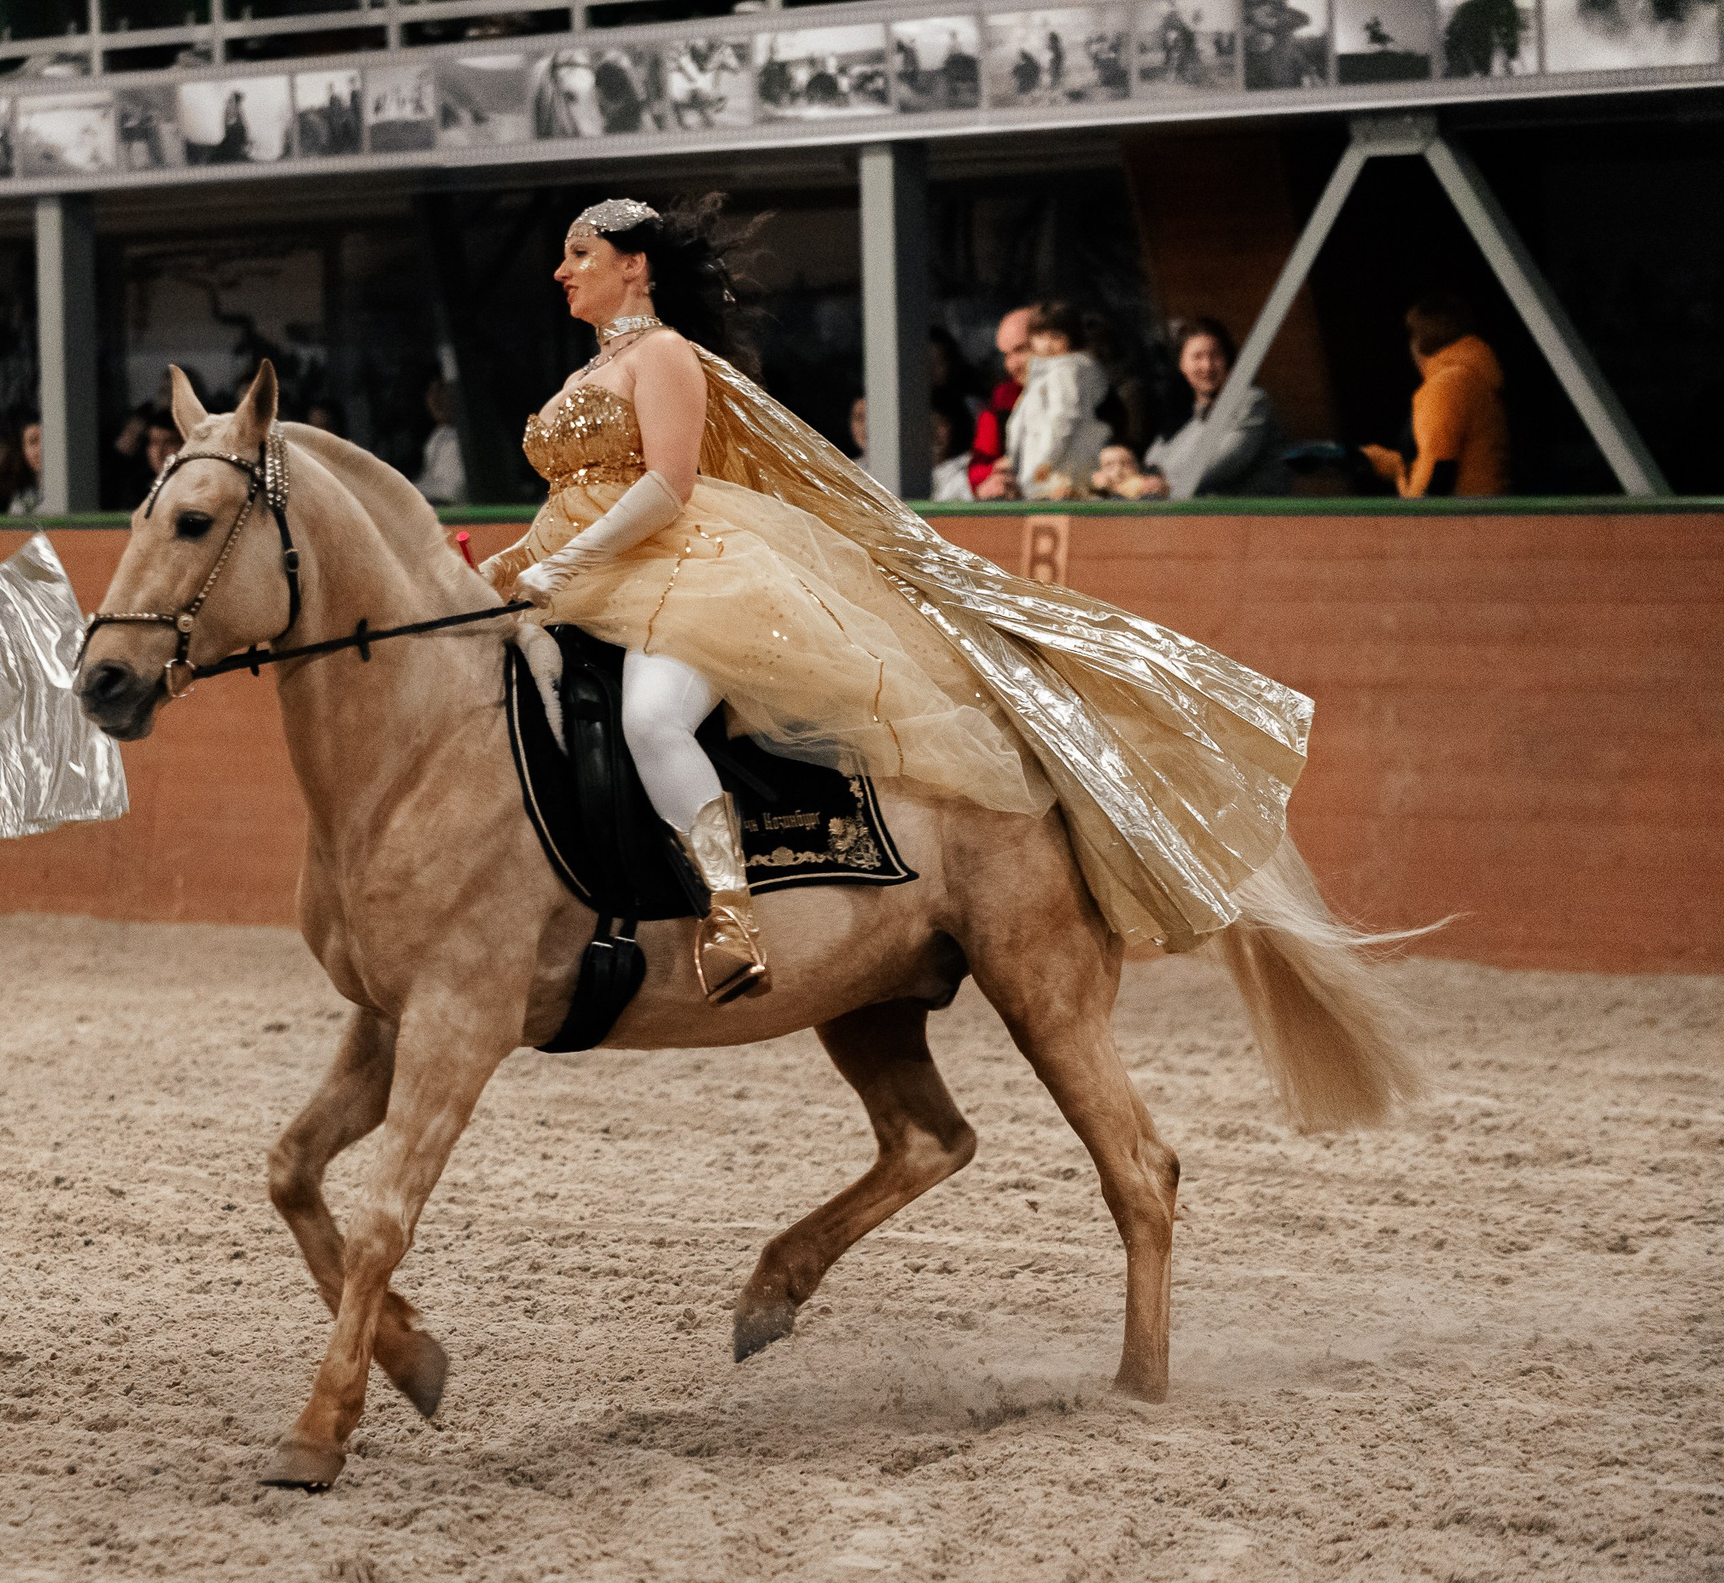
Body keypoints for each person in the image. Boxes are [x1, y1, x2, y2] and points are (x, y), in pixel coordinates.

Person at [483, 196, 1311, 994]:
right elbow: (577, 496)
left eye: (579, 254)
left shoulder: (664, 354)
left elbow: (667, 483)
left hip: (676, 570)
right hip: (588, 572)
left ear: (634, 267)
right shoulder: (585, 372)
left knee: (652, 719)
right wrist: (517, 558)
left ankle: (730, 912)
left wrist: (565, 563)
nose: (560, 271)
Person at [1362, 292, 1509, 498]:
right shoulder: (1474, 377)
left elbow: (1438, 464)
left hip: (1463, 520)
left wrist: (1418, 521)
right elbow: (1426, 460)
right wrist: (1363, 458)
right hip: (1480, 514)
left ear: (1419, 341)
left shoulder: (1448, 384)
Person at [1141, 317, 1289, 498]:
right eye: (1197, 357)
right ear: (1182, 365)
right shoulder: (1194, 411)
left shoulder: (1250, 401)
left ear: (1228, 360)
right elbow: (1155, 459)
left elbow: (1226, 461)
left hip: (1256, 519)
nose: (1207, 366)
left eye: (1215, 355)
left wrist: (1166, 484)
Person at [996, 299, 1110, 498]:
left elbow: (1063, 420)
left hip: (1061, 478)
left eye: (1056, 336)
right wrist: (1013, 460)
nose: (1047, 344)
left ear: (1070, 339)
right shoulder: (1043, 376)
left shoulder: (1066, 371)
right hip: (1040, 478)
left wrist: (1042, 464)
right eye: (1040, 336)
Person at [968, 306, 1033, 498]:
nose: (1012, 365)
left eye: (1021, 350)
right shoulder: (1001, 402)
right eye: (1006, 355)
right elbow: (978, 470)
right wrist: (997, 473)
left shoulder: (1086, 393)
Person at [415, 377, 466, 506]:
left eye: (442, 390)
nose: (435, 400)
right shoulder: (440, 434)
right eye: (431, 391)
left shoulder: (462, 440)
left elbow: (450, 493)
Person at [7, 417, 45, 516]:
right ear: (23, 451)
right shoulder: (21, 501)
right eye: (33, 441)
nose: (41, 449)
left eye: (46, 441)